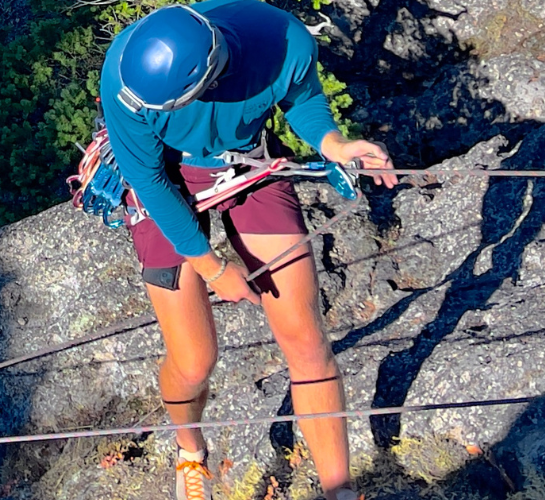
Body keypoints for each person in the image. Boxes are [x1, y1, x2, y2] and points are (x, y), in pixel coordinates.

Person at [100, 2, 397, 499]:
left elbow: (301, 100)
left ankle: (339, 489)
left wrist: (334, 144)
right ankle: (191, 450)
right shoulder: (126, 78)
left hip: (243, 164)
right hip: (164, 180)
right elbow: (149, 181)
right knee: (193, 360)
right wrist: (213, 268)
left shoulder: (282, 39)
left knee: (305, 338)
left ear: (211, 76)